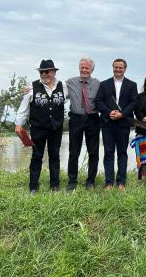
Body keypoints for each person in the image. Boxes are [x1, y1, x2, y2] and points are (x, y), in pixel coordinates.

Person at [15, 60, 67, 194]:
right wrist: (18, 125)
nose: (44, 74)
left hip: (56, 128)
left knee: (55, 156)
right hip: (38, 128)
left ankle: (55, 186)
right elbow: (23, 109)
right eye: (41, 72)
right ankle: (33, 187)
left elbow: (75, 96)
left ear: (54, 72)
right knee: (36, 156)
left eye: (47, 71)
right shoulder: (31, 88)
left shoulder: (64, 86)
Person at [95, 58, 138, 190]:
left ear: (125, 68)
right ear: (112, 68)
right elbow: (98, 101)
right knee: (108, 153)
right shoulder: (104, 84)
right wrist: (109, 113)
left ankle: (121, 182)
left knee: (122, 153)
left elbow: (133, 102)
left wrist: (122, 114)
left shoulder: (132, 85)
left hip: (123, 123)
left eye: (120, 67)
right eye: (116, 67)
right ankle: (109, 182)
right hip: (108, 123)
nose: (118, 69)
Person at [65, 57, 101, 191]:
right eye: (82, 68)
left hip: (93, 119)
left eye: (87, 68)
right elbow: (53, 87)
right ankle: (72, 181)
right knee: (74, 151)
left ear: (92, 69)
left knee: (93, 152)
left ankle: (90, 181)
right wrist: (30, 90)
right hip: (76, 119)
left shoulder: (98, 84)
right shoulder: (70, 82)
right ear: (79, 68)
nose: (84, 70)